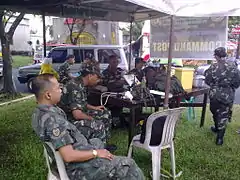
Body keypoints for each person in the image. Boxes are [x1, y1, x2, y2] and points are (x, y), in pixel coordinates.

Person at [31, 74, 145, 180]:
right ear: (48, 94)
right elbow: (68, 156)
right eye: (58, 88)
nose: (61, 90)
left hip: (79, 153)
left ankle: (107, 160)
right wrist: (96, 153)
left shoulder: (39, 112)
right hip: (79, 167)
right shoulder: (53, 120)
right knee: (129, 165)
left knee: (97, 141)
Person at [58, 65, 113, 147]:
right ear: (90, 76)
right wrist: (92, 119)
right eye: (97, 78)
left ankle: (103, 142)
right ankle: (98, 148)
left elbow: (81, 103)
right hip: (68, 119)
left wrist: (95, 108)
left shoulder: (80, 83)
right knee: (98, 123)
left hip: (76, 113)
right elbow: (77, 115)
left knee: (105, 113)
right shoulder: (75, 86)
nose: (98, 81)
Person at [205, 47, 240, 145]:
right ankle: (219, 138)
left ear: (216, 56)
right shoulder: (233, 67)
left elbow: (207, 81)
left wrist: (215, 85)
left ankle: (217, 129)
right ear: (225, 55)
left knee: (215, 112)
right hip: (227, 95)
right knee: (223, 115)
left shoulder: (212, 67)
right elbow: (237, 83)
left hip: (215, 94)